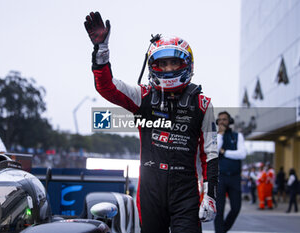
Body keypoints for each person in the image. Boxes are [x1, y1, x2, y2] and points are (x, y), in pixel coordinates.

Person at [84, 12, 218, 233]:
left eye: (174, 62)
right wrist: (101, 50)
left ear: (186, 64)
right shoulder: (143, 95)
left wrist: (210, 194)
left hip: (185, 191)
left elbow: (209, 155)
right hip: (150, 189)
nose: (167, 69)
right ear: (152, 65)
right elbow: (106, 87)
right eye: (162, 63)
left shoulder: (202, 104)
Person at [214, 111, 247, 233]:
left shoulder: (238, 136)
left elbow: (242, 154)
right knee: (219, 210)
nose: (222, 121)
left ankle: (222, 230)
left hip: (234, 177)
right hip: (220, 177)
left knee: (236, 208)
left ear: (229, 121)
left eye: (225, 119)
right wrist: (220, 135)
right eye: (220, 119)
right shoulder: (216, 136)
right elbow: (215, 151)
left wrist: (225, 152)